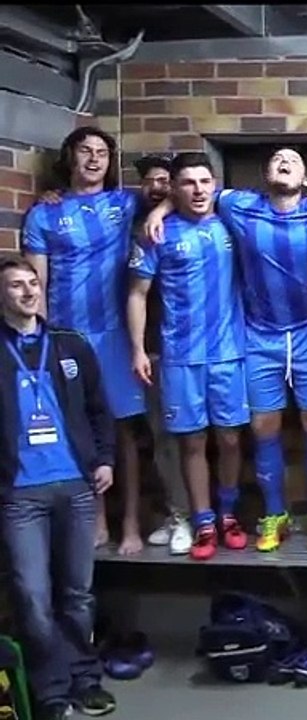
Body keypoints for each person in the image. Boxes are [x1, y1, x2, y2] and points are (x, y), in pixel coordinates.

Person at [144, 147, 307, 555]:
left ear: (306, 179)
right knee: (261, 427)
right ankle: (274, 514)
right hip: (258, 334)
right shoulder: (239, 205)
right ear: (263, 174)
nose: (284, 161)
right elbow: (191, 191)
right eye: (276, 159)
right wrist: (159, 209)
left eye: (294, 159)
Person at [21, 128, 148, 556]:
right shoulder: (44, 214)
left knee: (125, 433)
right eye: (85, 152)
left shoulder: (125, 204)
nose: (94, 160)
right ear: (69, 157)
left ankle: (131, 523)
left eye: (102, 153)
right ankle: (97, 520)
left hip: (114, 334)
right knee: (80, 432)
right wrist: (40, 340)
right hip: (67, 338)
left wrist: (163, 206)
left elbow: (172, 197)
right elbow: (37, 282)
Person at [0, 256, 118, 719]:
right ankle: (50, 690)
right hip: (19, 494)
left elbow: (98, 408)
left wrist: (104, 458)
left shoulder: (70, 345)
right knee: (31, 594)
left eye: (32, 283)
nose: (28, 292)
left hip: (76, 486)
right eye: (15, 286)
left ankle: (85, 680)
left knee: (77, 593)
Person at [126, 152, 248, 562]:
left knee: (230, 438)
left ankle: (229, 512)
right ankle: (204, 520)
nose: (198, 190)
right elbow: (137, 293)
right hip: (180, 356)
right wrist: (139, 349)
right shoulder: (157, 233)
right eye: (188, 183)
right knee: (192, 443)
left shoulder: (232, 220)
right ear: (175, 188)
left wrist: (162, 204)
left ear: (215, 184)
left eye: (204, 181)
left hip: (229, 353)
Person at [131, 154, 192, 555]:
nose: (160, 187)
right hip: (152, 348)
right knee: (161, 440)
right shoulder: (136, 224)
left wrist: (169, 206)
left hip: (195, 349)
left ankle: (197, 517)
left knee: (196, 440)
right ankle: (178, 514)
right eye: (151, 181)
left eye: (167, 182)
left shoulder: (196, 215)